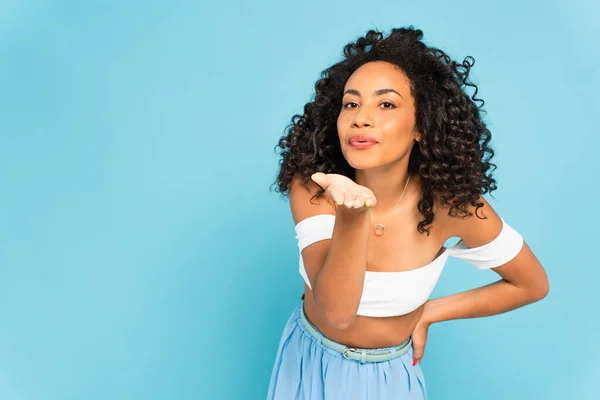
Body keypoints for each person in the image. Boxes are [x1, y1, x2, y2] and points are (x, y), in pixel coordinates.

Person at [267, 26, 549, 400]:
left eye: (386, 104)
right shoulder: (314, 187)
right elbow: (336, 310)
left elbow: (531, 284)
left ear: (421, 126)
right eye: (351, 103)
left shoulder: (454, 206)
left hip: (390, 380)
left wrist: (430, 312)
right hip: (307, 363)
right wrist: (353, 215)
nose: (361, 118)